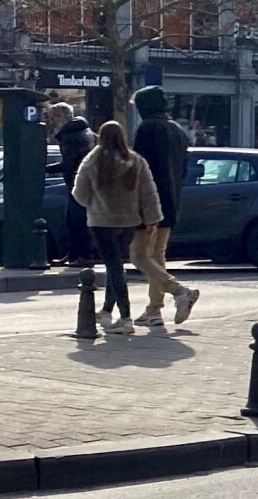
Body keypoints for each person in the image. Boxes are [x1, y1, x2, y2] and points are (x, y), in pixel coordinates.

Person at [72, 119, 162, 333]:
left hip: (101, 221)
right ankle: (106, 311)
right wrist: (151, 218)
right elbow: (148, 193)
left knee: (113, 267)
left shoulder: (92, 161)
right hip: (129, 221)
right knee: (117, 265)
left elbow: (79, 194)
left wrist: (94, 203)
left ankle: (125, 317)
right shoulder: (135, 161)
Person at [128, 85, 197, 328]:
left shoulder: (148, 128)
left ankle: (179, 291)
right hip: (172, 200)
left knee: (138, 256)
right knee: (156, 255)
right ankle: (154, 309)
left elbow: (140, 169)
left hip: (150, 203)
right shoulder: (177, 130)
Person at [46, 102, 94, 265]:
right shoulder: (83, 130)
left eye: (54, 117)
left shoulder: (70, 136)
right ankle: (74, 254)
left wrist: (44, 169)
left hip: (77, 183)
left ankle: (81, 256)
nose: (52, 121)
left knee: (76, 221)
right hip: (82, 182)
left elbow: (69, 163)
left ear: (64, 116)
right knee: (73, 220)